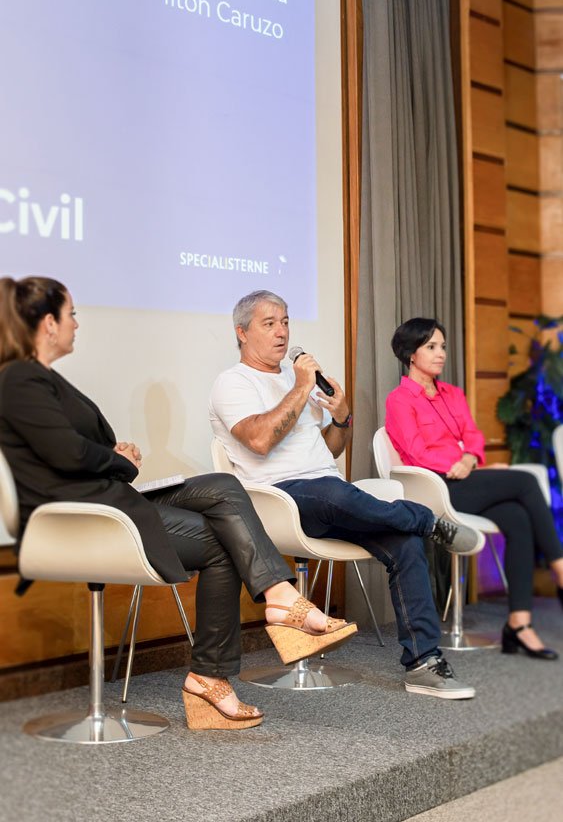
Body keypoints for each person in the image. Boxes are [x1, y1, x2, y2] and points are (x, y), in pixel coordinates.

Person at [0, 276, 357, 732]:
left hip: (110, 498)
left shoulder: (42, 379)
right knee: (223, 540)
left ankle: (274, 608)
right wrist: (115, 459)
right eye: (70, 314)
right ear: (48, 323)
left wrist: (112, 456)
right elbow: (67, 455)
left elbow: (73, 446)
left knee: (224, 487)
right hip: (80, 517)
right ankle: (223, 664)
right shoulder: (19, 378)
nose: (76, 323)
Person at [209, 289, 482, 700]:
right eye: (269, 324)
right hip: (278, 500)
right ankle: (428, 520)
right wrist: (301, 387)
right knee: (338, 495)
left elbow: (331, 448)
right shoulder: (233, 383)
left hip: (329, 491)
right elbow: (261, 440)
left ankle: (424, 663)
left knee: (402, 542)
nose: (282, 331)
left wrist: (342, 415)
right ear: (242, 333)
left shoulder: (293, 380)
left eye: (285, 321)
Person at [386, 317, 563, 661]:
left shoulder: (453, 394)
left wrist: (470, 458)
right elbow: (415, 452)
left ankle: (519, 623)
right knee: (525, 481)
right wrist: (463, 462)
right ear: (410, 353)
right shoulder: (399, 400)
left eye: (443, 346)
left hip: (466, 479)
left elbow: (474, 435)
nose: (440, 354)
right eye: (431, 347)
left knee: (517, 518)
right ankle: (560, 567)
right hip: (437, 488)